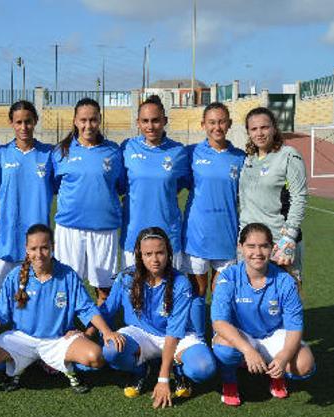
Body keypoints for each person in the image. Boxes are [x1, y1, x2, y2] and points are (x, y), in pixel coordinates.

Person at [0, 224, 125, 394]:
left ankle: (64, 367)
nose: (39, 254)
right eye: (34, 249)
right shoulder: (15, 276)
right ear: (26, 250)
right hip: (22, 339)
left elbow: (87, 308)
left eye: (44, 248)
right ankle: (19, 367)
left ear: (53, 247)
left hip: (58, 340)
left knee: (96, 358)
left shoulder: (67, 275)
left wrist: (106, 332)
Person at [100, 227, 216, 408]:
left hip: (178, 337)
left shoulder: (180, 283)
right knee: (111, 350)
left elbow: (174, 332)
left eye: (160, 253)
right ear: (139, 255)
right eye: (148, 254)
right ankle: (140, 368)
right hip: (141, 335)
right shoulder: (126, 278)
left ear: (168, 253)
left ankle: (178, 370)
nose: (154, 259)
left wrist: (163, 379)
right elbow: (106, 310)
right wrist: (87, 333)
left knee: (203, 368)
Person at [211, 223, 316, 406]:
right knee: (224, 348)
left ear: (272, 248)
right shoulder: (228, 276)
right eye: (251, 246)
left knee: (304, 364)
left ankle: (276, 374)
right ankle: (230, 382)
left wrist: (283, 357)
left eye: (264, 246)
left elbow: (294, 327)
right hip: (242, 336)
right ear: (240, 248)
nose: (257, 252)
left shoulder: (285, 281)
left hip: (272, 335)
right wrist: (248, 350)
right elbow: (219, 322)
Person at [182, 102, 247, 339]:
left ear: (229, 124)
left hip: (227, 238)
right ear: (203, 125)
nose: (217, 127)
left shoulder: (240, 158)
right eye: (212, 122)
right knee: (197, 292)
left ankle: (220, 340)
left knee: (221, 295)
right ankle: (197, 339)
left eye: (221, 122)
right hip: (196, 236)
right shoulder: (191, 154)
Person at [52, 97, 126, 305]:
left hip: (104, 229)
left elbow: (120, 186)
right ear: (75, 120)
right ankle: (66, 331)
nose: (88, 125)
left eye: (93, 120)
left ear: (100, 119)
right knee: (66, 286)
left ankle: (100, 334)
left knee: (104, 288)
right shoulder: (60, 152)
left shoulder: (113, 151)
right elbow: (55, 186)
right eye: (83, 120)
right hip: (69, 228)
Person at [120, 95, 190, 270]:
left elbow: (181, 184)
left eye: (155, 120)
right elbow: (119, 183)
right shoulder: (127, 147)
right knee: (133, 293)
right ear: (138, 122)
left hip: (168, 235)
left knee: (168, 294)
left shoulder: (178, 151)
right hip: (133, 235)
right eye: (145, 121)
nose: (150, 126)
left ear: (165, 120)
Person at [239, 107, 307, 281]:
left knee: (287, 295)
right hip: (250, 241)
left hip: (278, 240)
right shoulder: (249, 160)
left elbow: (299, 196)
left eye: (264, 127)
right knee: (252, 296)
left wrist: (289, 237)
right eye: (254, 129)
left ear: (274, 128)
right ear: (248, 132)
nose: (259, 133)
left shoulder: (288, 155)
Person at [0, 100, 55, 288]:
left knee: (37, 293)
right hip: (8, 238)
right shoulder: (0, 155)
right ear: (11, 123)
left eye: (28, 121)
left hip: (39, 241)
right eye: (18, 122)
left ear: (35, 121)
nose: (24, 127)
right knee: (4, 293)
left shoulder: (49, 154)